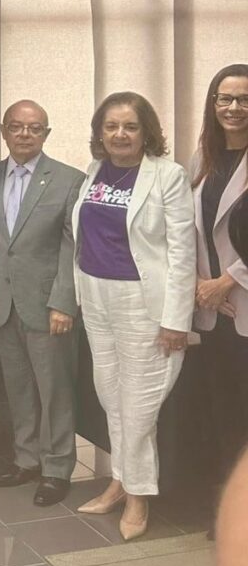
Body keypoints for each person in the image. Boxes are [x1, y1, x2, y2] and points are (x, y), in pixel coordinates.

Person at [73, 91, 196, 540]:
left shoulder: (168, 176)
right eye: (111, 126)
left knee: (140, 406)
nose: (120, 134)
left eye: (130, 126)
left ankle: (139, 495)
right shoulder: (94, 172)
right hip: (96, 296)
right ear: (100, 133)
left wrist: (176, 319)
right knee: (111, 397)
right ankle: (120, 482)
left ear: (146, 132)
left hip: (142, 303)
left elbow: (182, 252)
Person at [0, 100, 85, 506]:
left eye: (34, 128)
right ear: (4, 131)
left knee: (54, 390)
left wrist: (64, 302)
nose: (25, 134)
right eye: (16, 126)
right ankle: (26, 459)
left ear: (46, 133)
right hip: (2, 301)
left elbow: (73, 247)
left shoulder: (69, 180)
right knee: (17, 387)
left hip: (48, 305)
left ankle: (57, 468)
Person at [191, 64, 248, 513]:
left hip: (239, 297)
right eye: (225, 99)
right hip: (212, 308)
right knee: (222, 410)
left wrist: (228, 281)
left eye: (244, 99)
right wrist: (200, 285)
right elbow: (186, 231)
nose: (234, 107)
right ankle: (231, 511)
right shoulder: (202, 159)